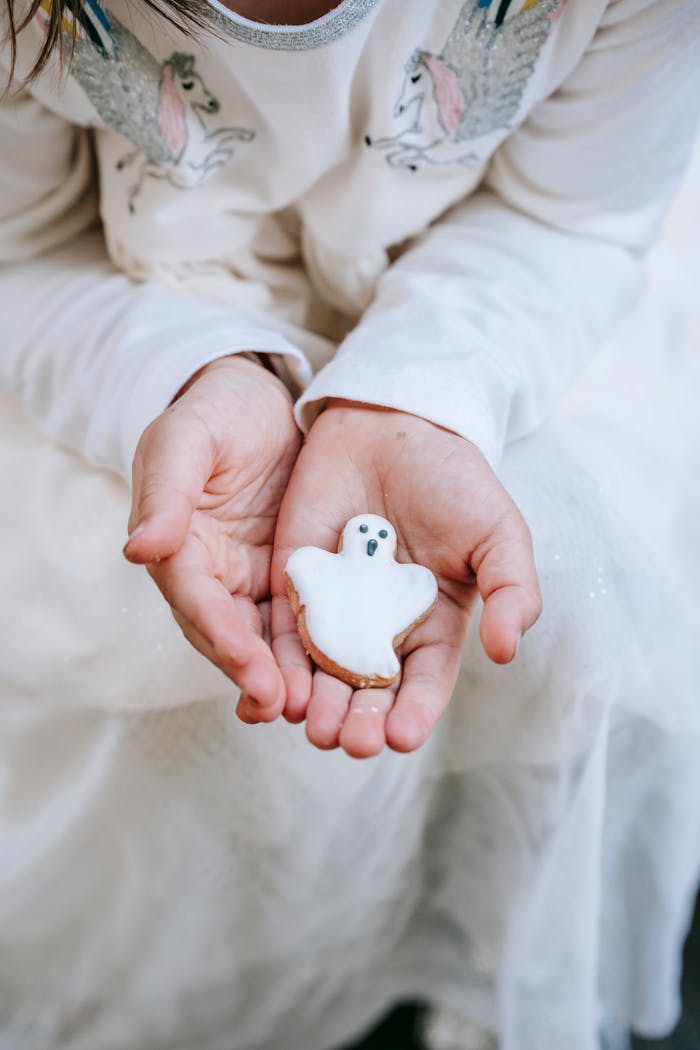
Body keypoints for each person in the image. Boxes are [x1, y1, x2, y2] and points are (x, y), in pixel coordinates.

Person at [1, 1, 699, 1048]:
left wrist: (418, 396)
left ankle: (486, 946)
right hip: (131, 322)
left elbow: (573, 220)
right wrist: (190, 372)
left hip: (496, 308)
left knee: (576, 607)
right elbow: (24, 254)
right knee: (113, 630)